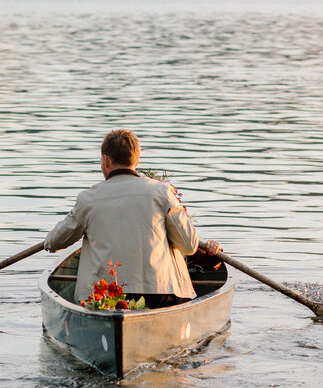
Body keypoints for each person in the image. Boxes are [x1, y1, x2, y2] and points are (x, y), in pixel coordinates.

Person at [44, 129, 222, 307]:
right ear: (136, 161)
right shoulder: (162, 192)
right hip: (161, 294)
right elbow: (189, 246)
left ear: (106, 161)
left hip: (104, 297)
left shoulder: (88, 198)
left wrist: (62, 235)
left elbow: (53, 243)